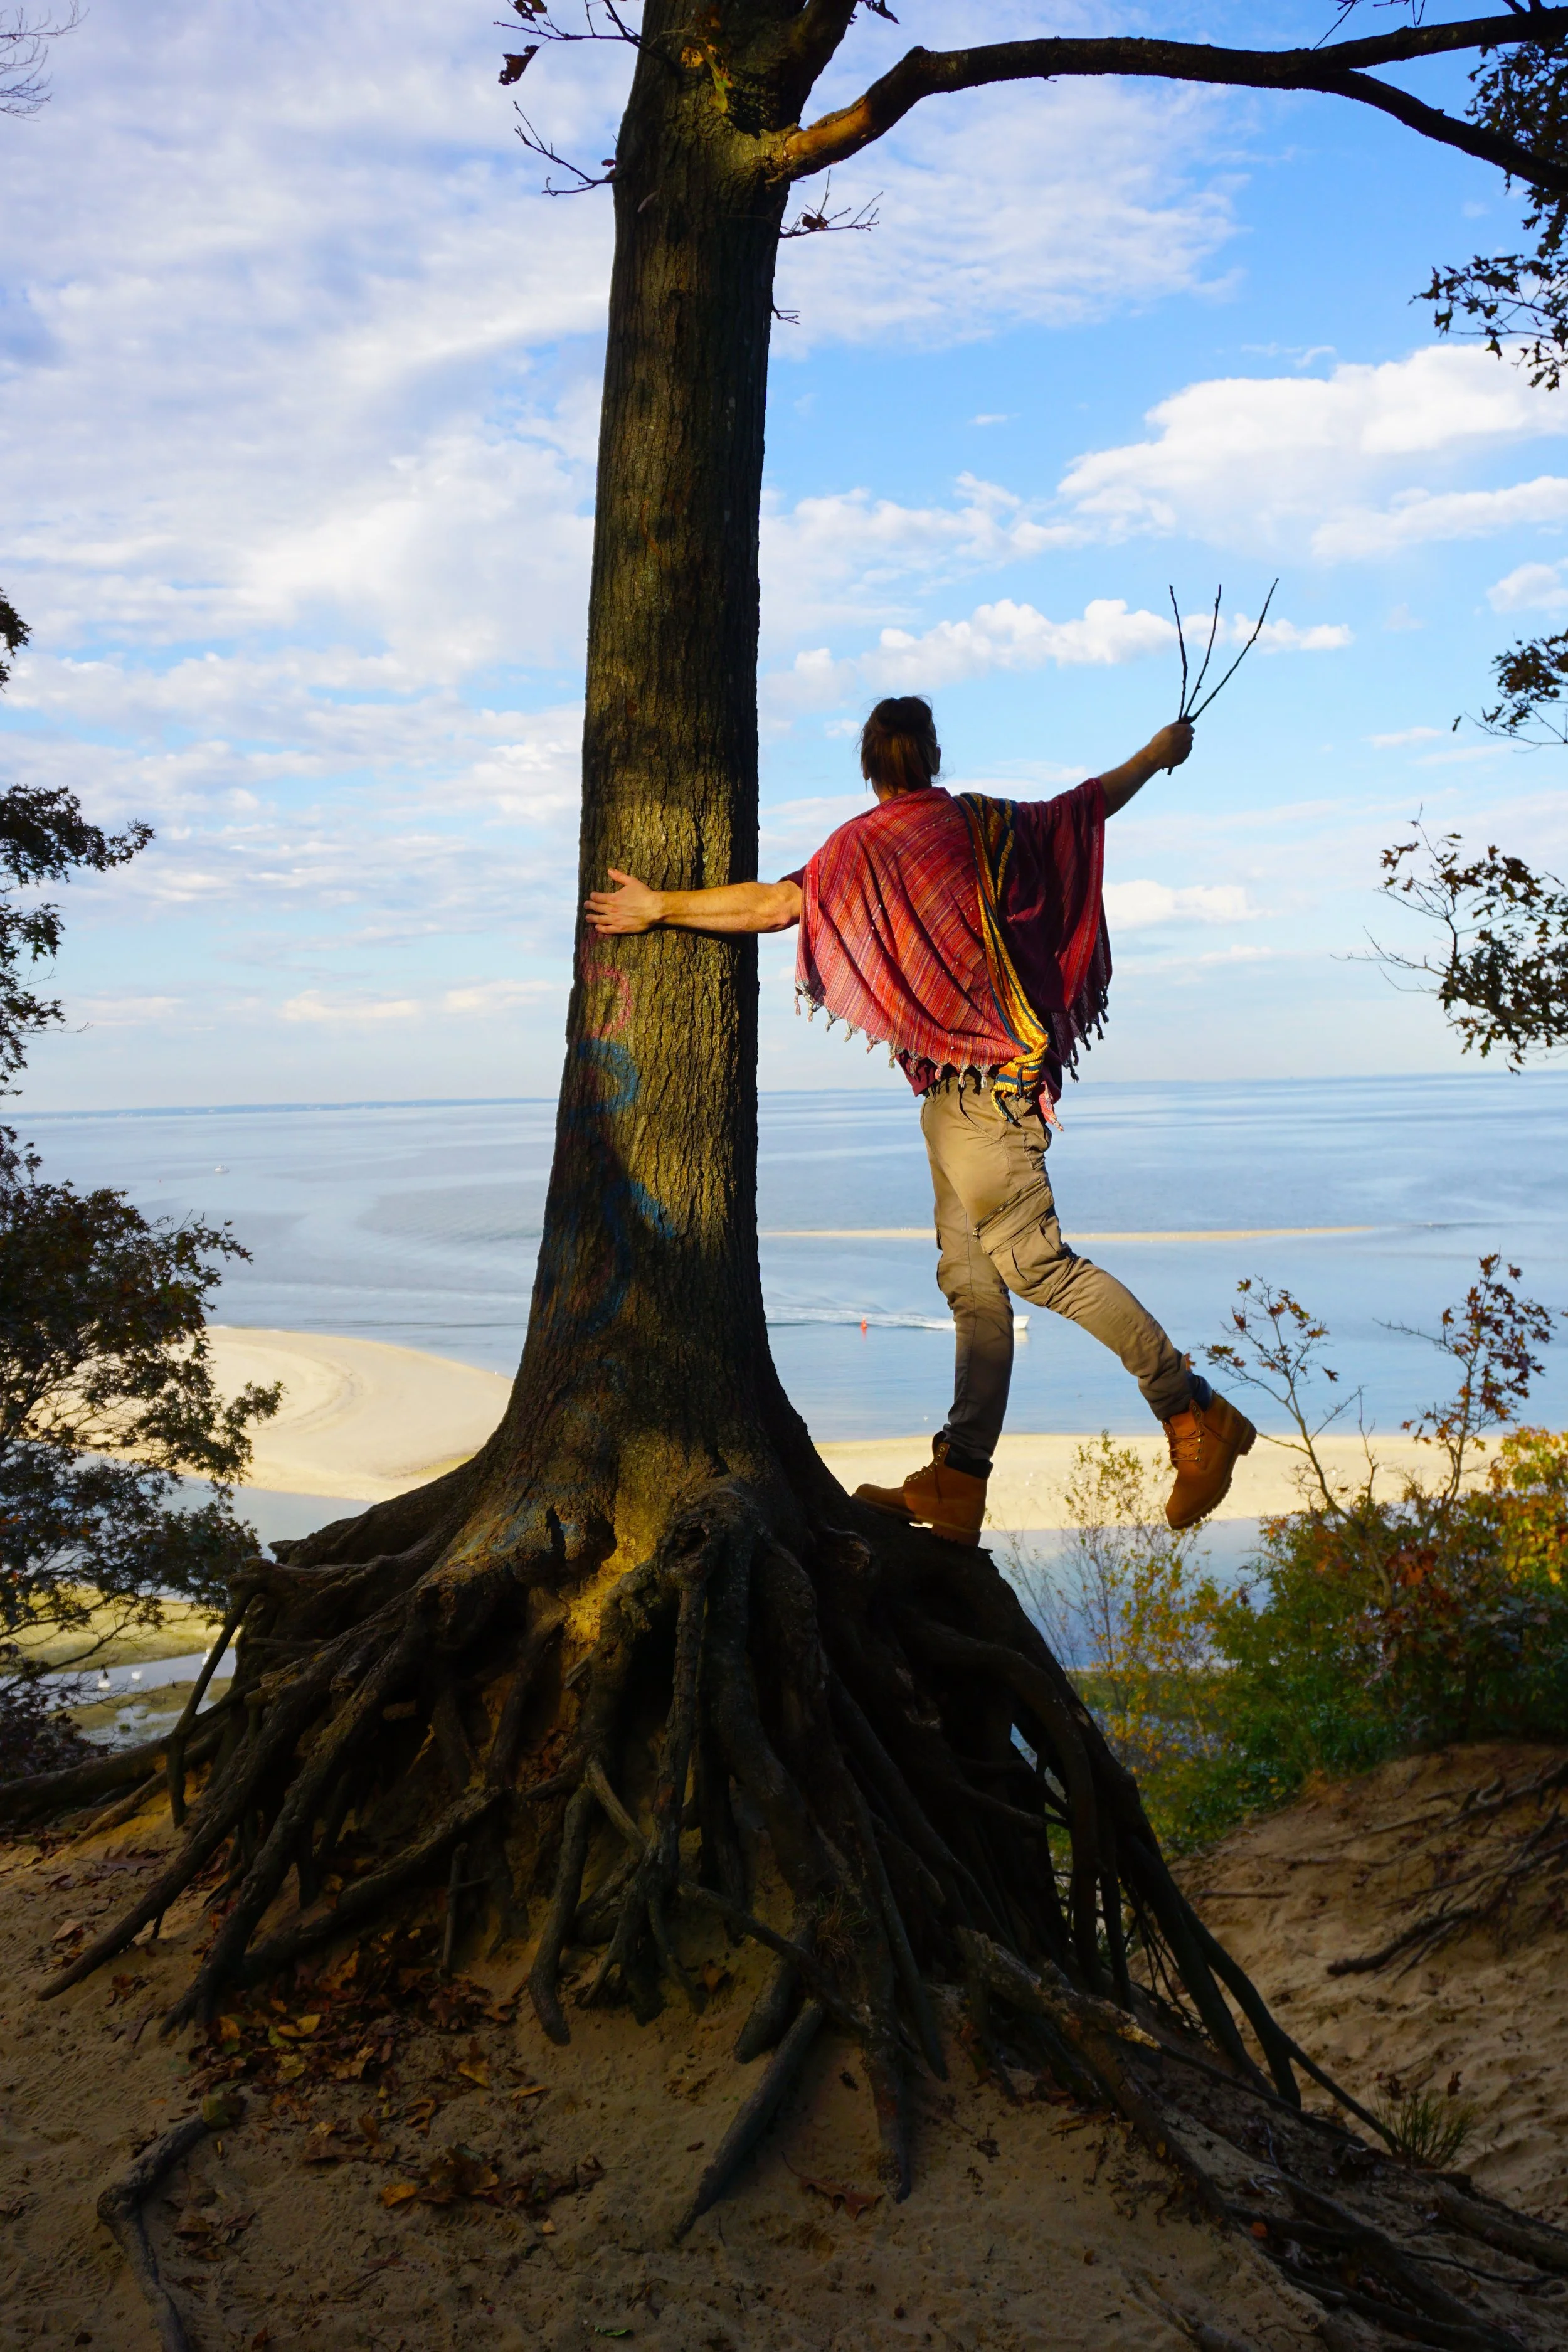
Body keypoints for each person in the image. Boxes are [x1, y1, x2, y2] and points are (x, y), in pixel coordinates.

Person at [584, 694, 1254, 1545]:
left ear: (869, 767)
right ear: (933, 753)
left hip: (986, 1097)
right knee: (974, 1287)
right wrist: (1156, 754)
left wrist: (659, 907)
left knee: (1036, 1266)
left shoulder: (859, 850)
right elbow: (1085, 807)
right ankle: (959, 1479)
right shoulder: (983, 824)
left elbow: (769, 906)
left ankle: (1193, 1411)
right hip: (956, 1096)